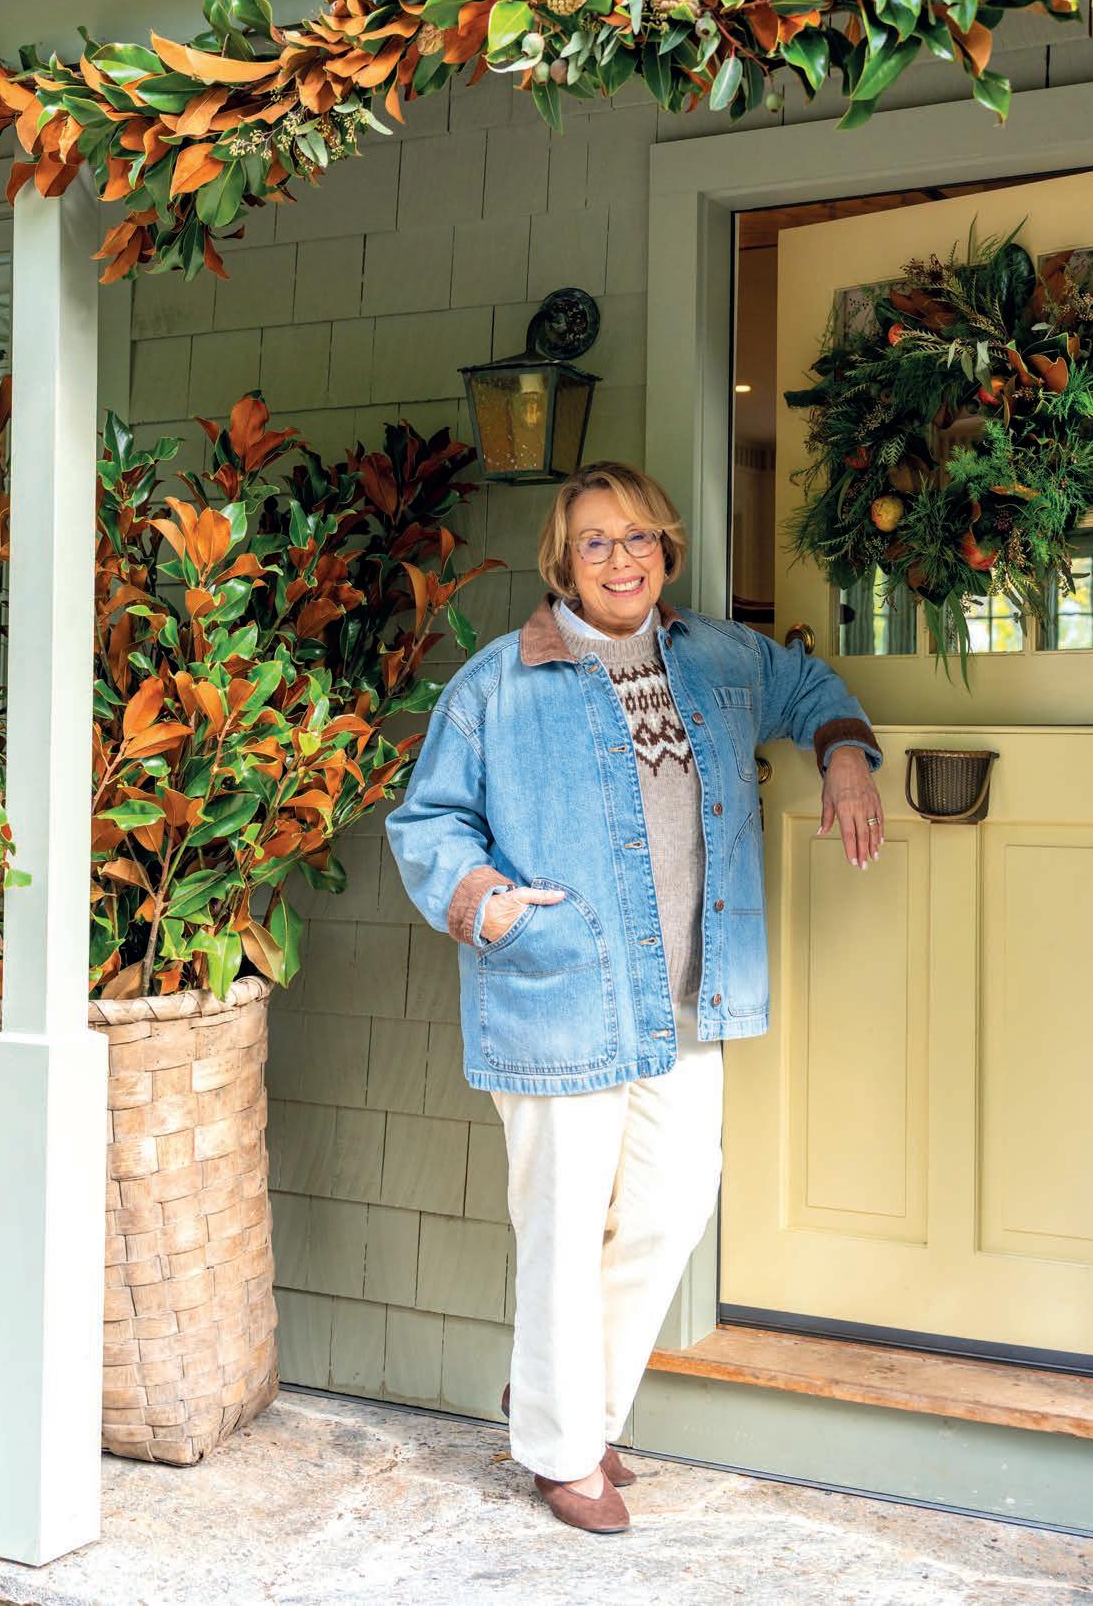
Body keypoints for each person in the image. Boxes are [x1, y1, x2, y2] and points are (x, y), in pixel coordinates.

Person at [384, 461, 883, 1534]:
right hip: (560, 990)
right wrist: (488, 906)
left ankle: (561, 1402)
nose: (623, 559)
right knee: (564, 1227)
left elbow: (811, 690)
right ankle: (565, 1451)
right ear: (564, 561)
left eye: (640, 538)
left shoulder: (720, 659)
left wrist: (844, 754)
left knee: (669, 1208)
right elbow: (428, 822)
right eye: (597, 542)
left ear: (667, 550)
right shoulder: (500, 683)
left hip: (688, 998)